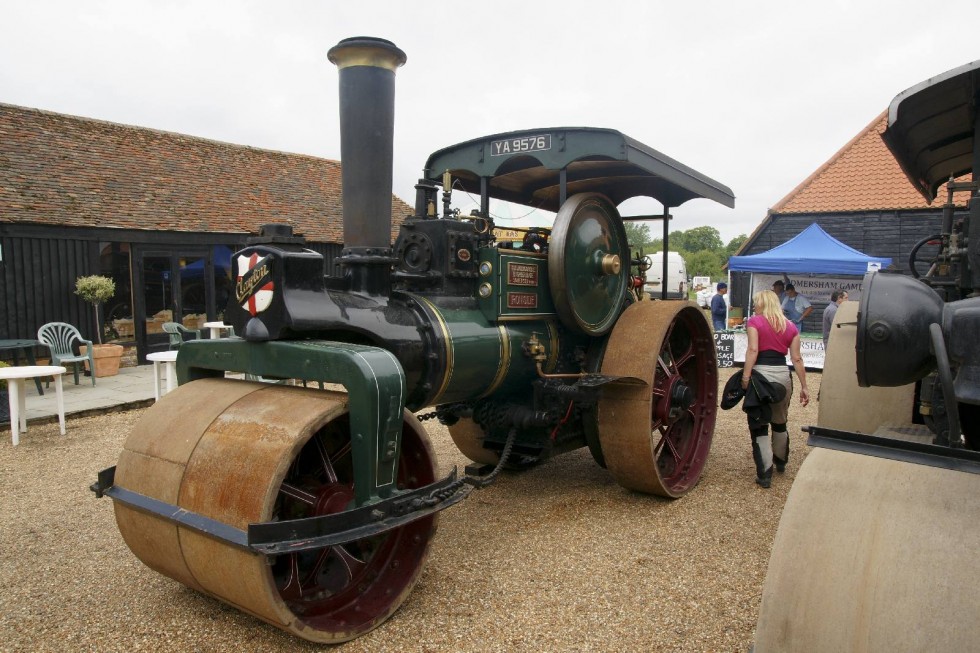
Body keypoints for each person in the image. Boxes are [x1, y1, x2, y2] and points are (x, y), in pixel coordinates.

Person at [742, 290, 810, 488]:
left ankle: (765, 474)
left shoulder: (755, 322)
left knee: (759, 423)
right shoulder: (790, 326)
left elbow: (753, 350)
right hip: (782, 374)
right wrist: (804, 386)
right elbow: (797, 359)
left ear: (762, 304)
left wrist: (746, 376)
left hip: (760, 375)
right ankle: (781, 461)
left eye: (756, 303)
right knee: (780, 421)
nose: (755, 306)